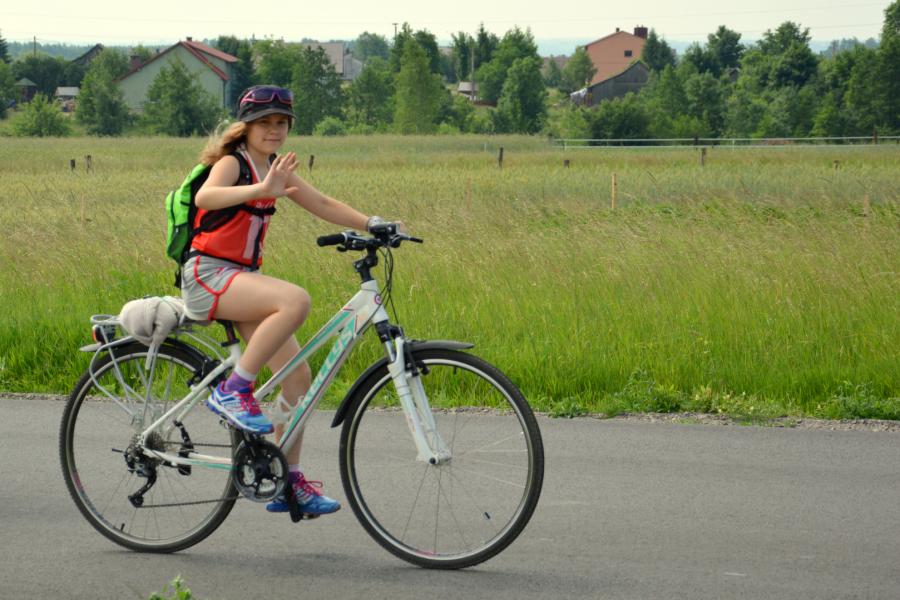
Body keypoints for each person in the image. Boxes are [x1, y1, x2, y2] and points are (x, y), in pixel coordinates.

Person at [181, 85, 393, 516]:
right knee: (295, 301)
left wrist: (372, 222)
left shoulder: (275, 167)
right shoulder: (233, 162)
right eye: (264, 122)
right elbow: (206, 197)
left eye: (281, 122)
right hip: (208, 275)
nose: (274, 130)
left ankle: (288, 481)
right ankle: (234, 390)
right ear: (246, 126)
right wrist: (261, 188)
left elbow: (321, 202)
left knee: (298, 379)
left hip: (241, 280)